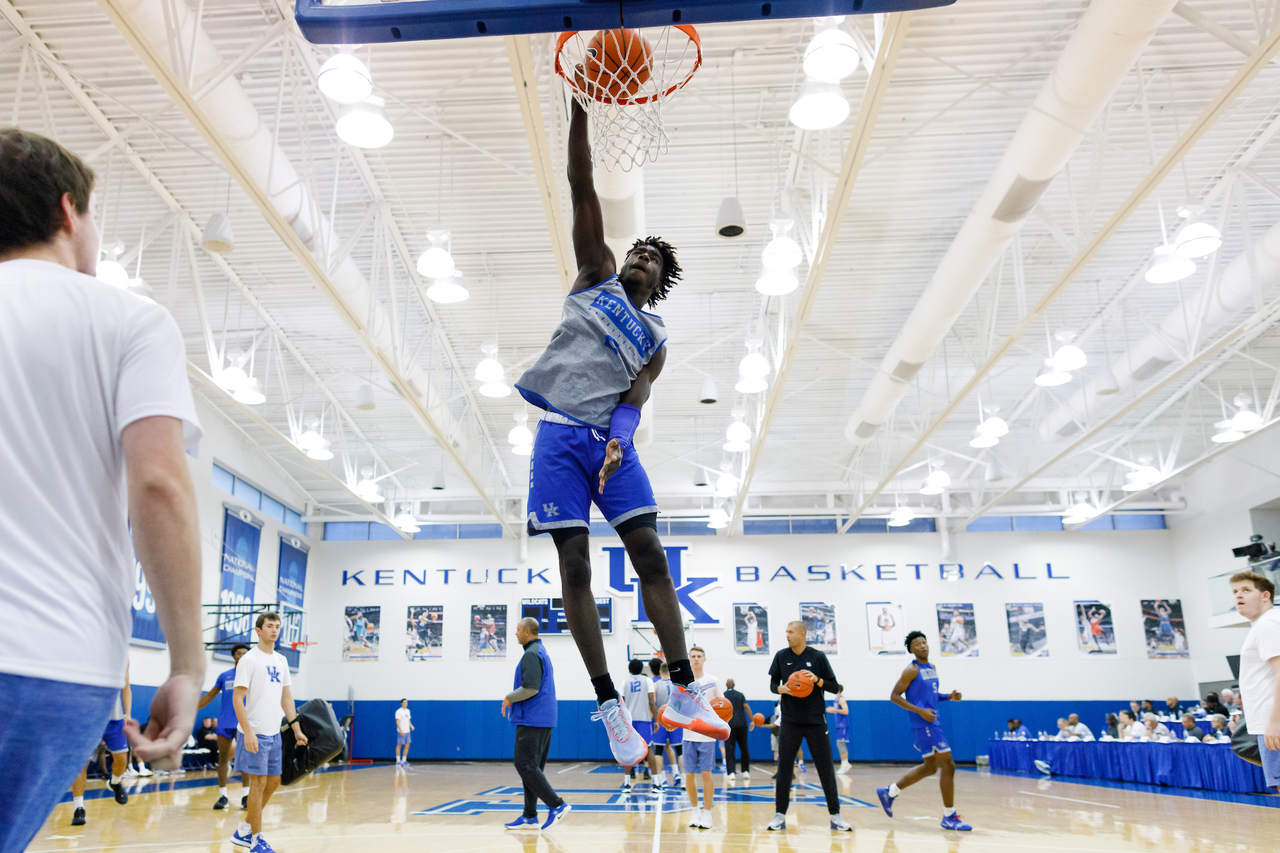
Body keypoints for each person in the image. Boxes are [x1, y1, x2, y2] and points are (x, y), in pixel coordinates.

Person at [0, 129, 205, 853]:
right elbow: (158, 483)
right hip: (46, 660)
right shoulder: (129, 320)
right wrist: (186, 663)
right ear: (68, 211)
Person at [512, 93, 727, 766]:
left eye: (650, 257)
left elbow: (634, 400)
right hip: (558, 436)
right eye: (635, 248)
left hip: (610, 444)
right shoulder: (595, 273)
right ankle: (610, 705)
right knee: (572, 563)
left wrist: (619, 438)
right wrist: (577, 113)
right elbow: (581, 185)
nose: (638, 255)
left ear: (661, 279)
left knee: (653, 556)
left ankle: (685, 691)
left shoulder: (656, 337)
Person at [876, 630, 970, 832]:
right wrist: (920, 712)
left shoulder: (932, 667)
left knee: (930, 768)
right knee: (949, 764)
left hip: (932, 722)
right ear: (911, 649)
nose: (923, 645)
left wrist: (949, 696)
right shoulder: (911, 670)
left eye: (924, 642)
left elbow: (931, 697)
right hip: (924, 724)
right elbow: (894, 696)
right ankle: (949, 816)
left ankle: (889, 792)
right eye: (917, 644)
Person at [231, 612, 308, 853]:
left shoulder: (281, 660)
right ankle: (257, 839)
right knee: (258, 782)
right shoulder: (249, 660)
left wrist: (296, 729)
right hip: (252, 733)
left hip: (274, 733)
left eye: (277, 626)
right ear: (258, 631)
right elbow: (237, 699)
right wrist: (248, 732)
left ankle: (245, 829)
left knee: (274, 781)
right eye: (269, 626)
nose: (274, 630)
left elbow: (286, 698)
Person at [766, 621, 850, 832]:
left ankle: (835, 814)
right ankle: (779, 814)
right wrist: (781, 689)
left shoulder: (818, 657)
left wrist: (818, 681)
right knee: (784, 769)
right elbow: (772, 685)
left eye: (791, 632)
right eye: (786, 631)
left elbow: (833, 686)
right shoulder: (781, 656)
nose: (787, 635)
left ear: (802, 634)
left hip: (815, 722)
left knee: (825, 769)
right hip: (790, 721)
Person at [501, 618, 570, 830]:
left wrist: (509, 698)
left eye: (518, 630)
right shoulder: (540, 651)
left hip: (532, 718)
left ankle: (556, 805)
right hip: (543, 718)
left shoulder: (531, 654)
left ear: (528, 632)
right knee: (531, 768)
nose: (515, 633)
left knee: (524, 764)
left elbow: (531, 688)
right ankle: (530, 816)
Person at [1231, 570, 1280, 790]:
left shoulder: (1267, 625)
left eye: (1246, 590)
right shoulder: (1267, 623)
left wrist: (1275, 722)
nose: (1238, 596)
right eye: (1235, 592)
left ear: (1265, 596)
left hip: (1273, 722)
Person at [68, 666, 134, 826]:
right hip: (87, 716)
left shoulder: (122, 654)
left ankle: (115, 782)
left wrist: (128, 714)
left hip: (115, 718)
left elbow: (126, 686)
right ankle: (79, 808)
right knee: (81, 763)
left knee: (121, 761)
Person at [196, 643, 250, 809]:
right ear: (234, 656)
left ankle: (246, 796)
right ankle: (223, 796)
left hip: (243, 723)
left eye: (245, 653)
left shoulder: (253, 676)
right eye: (239, 653)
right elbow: (210, 694)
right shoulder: (224, 675)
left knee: (245, 759)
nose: (242, 655)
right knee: (223, 758)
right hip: (225, 722)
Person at [683, 647, 723, 830]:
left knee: (706, 774)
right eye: (693, 656)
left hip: (707, 734)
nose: (696, 659)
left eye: (699, 656)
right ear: (689, 659)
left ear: (704, 659)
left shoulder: (713, 681)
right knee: (689, 775)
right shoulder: (682, 682)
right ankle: (695, 811)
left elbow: (722, 705)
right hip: (688, 734)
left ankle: (707, 814)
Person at [620, 659, 662, 793]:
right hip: (644, 720)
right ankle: (656, 784)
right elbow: (651, 702)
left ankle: (627, 784)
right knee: (649, 749)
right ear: (642, 669)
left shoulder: (624, 682)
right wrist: (656, 719)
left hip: (629, 721)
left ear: (629, 669)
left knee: (627, 751)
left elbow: (621, 704)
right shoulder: (648, 681)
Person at [651, 663, 684, 789]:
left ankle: (661, 780)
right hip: (675, 719)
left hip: (661, 718)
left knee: (658, 751)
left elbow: (653, 704)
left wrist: (653, 720)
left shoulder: (656, 685)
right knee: (680, 750)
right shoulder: (677, 685)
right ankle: (683, 779)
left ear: (660, 671)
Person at [723, 678, 755, 783]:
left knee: (730, 749)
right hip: (742, 724)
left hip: (729, 725)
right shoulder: (740, 695)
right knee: (744, 748)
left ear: (726, 685)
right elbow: (746, 707)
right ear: (734, 685)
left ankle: (731, 773)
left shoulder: (723, 695)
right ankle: (745, 771)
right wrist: (753, 720)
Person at [827, 691, 851, 774]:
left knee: (840, 744)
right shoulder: (836, 699)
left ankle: (844, 764)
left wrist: (835, 710)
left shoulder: (841, 699)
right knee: (840, 744)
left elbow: (846, 711)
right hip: (839, 725)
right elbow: (837, 710)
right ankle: (846, 763)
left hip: (843, 725)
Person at [395, 699, 415, 767]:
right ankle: (398, 760)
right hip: (402, 731)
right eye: (404, 702)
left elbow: (408, 720)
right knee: (399, 745)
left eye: (406, 702)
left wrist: (411, 726)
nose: (405, 704)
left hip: (407, 731)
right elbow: (397, 722)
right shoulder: (398, 711)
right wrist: (401, 730)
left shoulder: (408, 711)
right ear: (401, 703)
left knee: (407, 745)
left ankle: (404, 760)